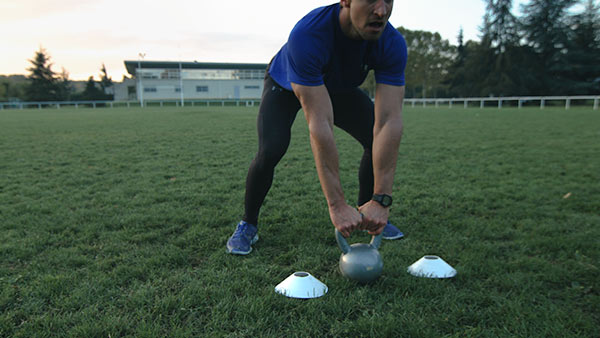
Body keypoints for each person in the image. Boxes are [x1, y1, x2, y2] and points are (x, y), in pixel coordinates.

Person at [227, 0, 407, 255]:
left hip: (335, 86)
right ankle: (248, 224)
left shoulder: (391, 43)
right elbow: (319, 123)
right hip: (285, 85)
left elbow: (389, 121)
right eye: (370, 0)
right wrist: (336, 205)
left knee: (372, 136)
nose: (381, 10)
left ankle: (367, 212)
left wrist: (381, 200)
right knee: (271, 149)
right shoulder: (308, 34)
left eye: (388, 0)